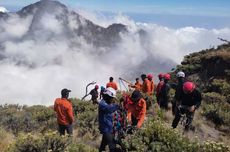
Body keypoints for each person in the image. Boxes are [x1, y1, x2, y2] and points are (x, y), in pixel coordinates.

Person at [98, 87, 120, 152]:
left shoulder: (107, 103)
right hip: (106, 128)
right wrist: (117, 106)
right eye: (111, 98)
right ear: (107, 96)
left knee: (103, 145)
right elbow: (109, 109)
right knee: (112, 147)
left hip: (108, 127)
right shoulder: (102, 104)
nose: (112, 99)